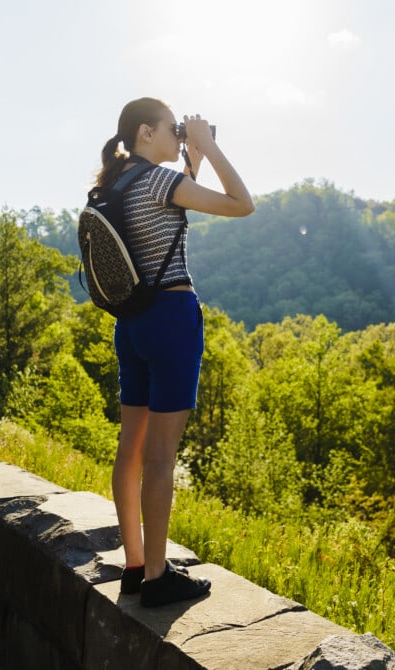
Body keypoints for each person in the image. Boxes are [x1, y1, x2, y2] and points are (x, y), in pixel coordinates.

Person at [96, 97, 254, 607]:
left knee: (131, 450)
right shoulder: (159, 183)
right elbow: (240, 203)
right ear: (146, 133)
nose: (178, 136)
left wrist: (191, 153)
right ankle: (160, 580)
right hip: (172, 320)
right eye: (172, 129)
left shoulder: (115, 184)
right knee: (162, 457)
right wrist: (209, 143)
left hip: (132, 324)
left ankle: (137, 565)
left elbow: (177, 189)